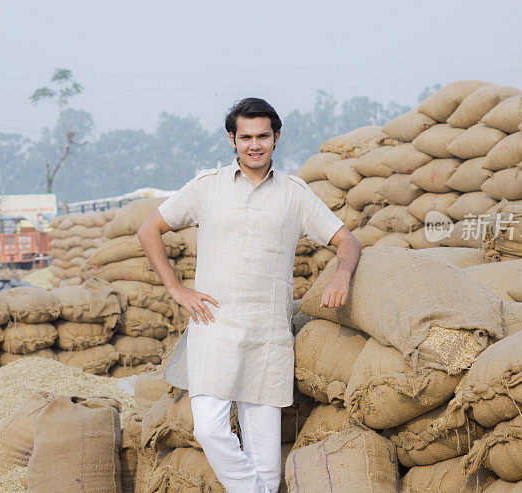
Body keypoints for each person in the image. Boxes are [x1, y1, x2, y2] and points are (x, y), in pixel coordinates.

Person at [137, 97, 362, 493]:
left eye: (262, 136)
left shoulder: (295, 193)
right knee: (208, 428)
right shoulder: (207, 187)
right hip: (214, 327)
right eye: (245, 137)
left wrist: (341, 276)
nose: (254, 144)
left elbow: (347, 241)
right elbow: (148, 229)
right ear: (232, 139)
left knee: (267, 460)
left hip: (268, 335)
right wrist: (176, 288)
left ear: (277, 138)